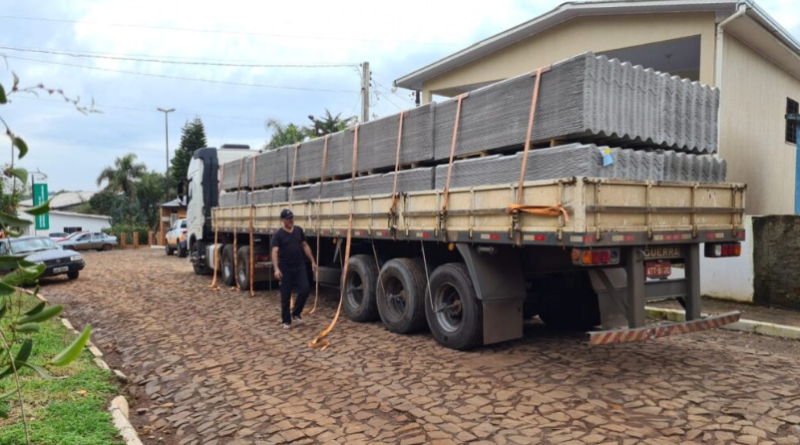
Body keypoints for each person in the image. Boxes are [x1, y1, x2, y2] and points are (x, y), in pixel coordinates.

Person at [271, 209, 317, 329]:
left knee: (305, 290)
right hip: (285, 268)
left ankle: (296, 313)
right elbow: (274, 252)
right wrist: (276, 269)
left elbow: (305, 245)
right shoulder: (278, 235)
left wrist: (312, 261)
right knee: (285, 295)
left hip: (299, 266)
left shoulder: (298, 230)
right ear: (282, 220)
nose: (291, 220)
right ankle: (286, 320)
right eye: (288, 218)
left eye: (292, 217)